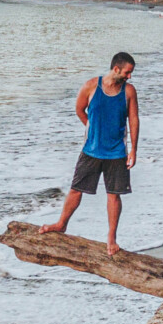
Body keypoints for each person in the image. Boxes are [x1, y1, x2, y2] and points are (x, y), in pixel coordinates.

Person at [38, 52, 140, 256]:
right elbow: (79, 110)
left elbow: (134, 119)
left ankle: (111, 237)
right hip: (91, 150)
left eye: (131, 73)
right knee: (76, 189)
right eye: (127, 72)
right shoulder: (91, 86)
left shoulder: (128, 92)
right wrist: (92, 129)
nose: (130, 77)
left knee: (114, 196)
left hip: (117, 153)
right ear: (116, 69)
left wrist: (133, 150)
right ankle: (61, 224)